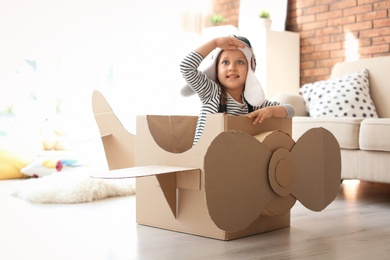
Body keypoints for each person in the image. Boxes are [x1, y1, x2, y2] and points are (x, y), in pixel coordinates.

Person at [180, 35, 295, 144]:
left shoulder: (253, 102)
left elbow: (290, 110)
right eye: (225, 62)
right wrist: (215, 43)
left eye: (240, 62)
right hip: (206, 158)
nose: (232, 68)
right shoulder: (211, 92)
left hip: (235, 158)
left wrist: (270, 111)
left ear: (249, 70)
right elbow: (186, 66)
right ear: (216, 69)